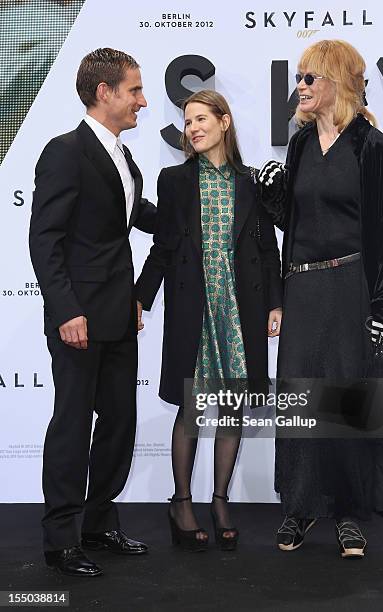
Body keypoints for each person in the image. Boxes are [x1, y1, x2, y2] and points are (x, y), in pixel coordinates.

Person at [258, 40, 383, 559]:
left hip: (350, 289)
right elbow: (297, 226)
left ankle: (347, 513)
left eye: (308, 79)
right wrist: (273, 197)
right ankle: (299, 508)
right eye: (298, 78)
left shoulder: (371, 146)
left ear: (336, 84)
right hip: (302, 289)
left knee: (344, 402)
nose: (298, 87)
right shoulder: (298, 146)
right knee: (300, 399)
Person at [135, 89, 282, 552]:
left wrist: (276, 303)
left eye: (201, 118)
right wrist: (140, 297)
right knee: (192, 406)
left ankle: (219, 500)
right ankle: (182, 502)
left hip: (241, 308)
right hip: (193, 306)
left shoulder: (251, 181)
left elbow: (267, 248)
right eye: (187, 121)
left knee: (233, 405)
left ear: (224, 121)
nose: (193, 128)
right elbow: (162, 246)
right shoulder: (174, 180)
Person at [29, 48, 156, 576]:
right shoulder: (65, 151)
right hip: (78, 319)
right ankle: (61, 539)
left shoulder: (123, 156)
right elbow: (45, 238)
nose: (143, 101)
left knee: (119, 425)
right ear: (103, 92)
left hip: (119, 317)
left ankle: (99, 524)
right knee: (72, 426)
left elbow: (136, 215)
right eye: (134, 90)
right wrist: (66, 311)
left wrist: (202, 206)